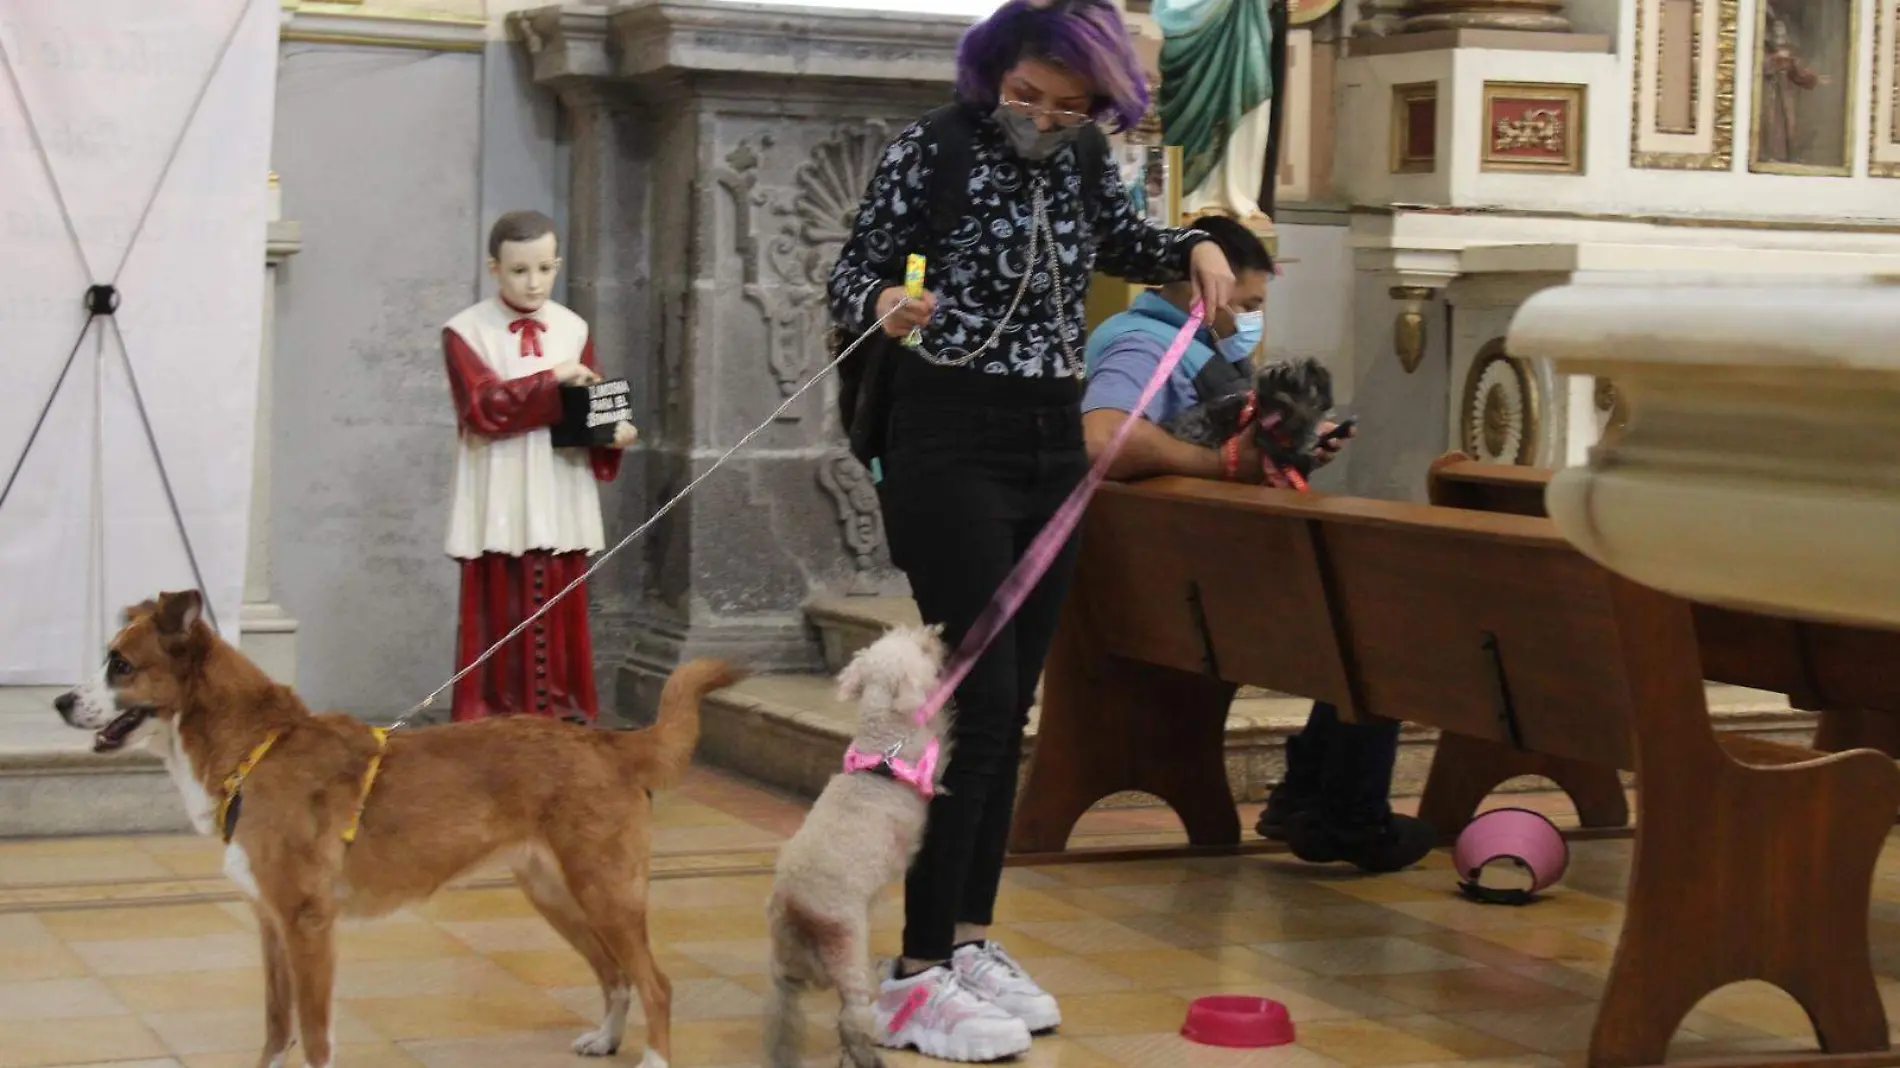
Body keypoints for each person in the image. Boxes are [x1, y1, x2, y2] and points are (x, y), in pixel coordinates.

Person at [825, 0, 1238, 1060]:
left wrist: (1195, 246)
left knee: (1013, 706)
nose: (1044, 123)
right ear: (993, 71)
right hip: (945, 435)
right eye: (1027, 99)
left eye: (1069, 108)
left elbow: (1133, 239)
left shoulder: (1090, 156)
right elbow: (847, 270)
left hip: (1052, 441)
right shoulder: (934, 147)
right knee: (978, 696)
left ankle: (964, 943)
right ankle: (913, 972)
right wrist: (884, 300)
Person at [1080, 214, 1437, 874]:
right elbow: (1106, 441)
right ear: (1200, 290)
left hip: (1200, 573)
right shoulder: (1143, 344)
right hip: (1187, 590)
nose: (1251, 320)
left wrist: (1294, 452)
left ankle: (1308, 799)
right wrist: (1229, 470)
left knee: (1364, 605)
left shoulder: (1194, 347)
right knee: (1383, 621)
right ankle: (1348, 814)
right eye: (1245, 304)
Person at [440, 210, 639, 723]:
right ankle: (494, 721)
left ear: (557, 264)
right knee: (500, 612)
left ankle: (562, 721)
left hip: (556, 489)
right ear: (494, 268)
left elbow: (587, 404)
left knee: (559, 610)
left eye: (545, 269)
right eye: (519, 271)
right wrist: (553, 379)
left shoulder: (573, 327)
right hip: (501, 491)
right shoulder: (465, 331)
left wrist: (611, 434)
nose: (534, 283)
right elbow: (485, 407)